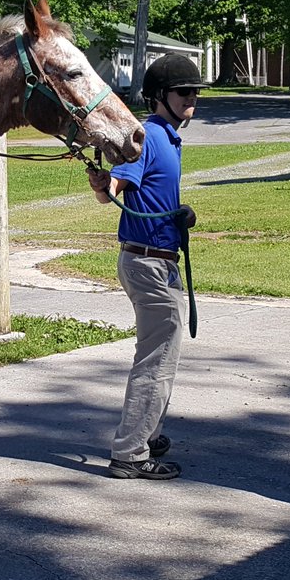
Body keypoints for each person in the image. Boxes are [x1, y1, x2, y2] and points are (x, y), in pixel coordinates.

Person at [87, 54, 204, 480]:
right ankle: (131, 453)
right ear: (160, 96)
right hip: (147, 263)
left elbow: (144, 191)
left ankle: (147, 431)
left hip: (157, 259)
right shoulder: (149, 136)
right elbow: (114, 188)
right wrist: (106, 185)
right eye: (183, 92)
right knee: (157, 360)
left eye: (194, 92)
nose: (192, 99)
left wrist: (177, 215)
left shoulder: (168, 136)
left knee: (157, 353)